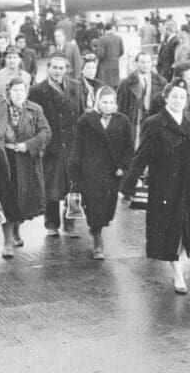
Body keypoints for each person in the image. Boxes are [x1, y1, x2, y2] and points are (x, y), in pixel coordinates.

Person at [121, 79, 190, 294]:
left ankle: (179, 262)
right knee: (171, 229)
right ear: (166, 98)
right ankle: (177, 272)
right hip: (167, 186)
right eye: (174, 96)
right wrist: (128, 184)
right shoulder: (154, 122)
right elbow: (142, 155)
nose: (178, 100)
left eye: (182, 97)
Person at [0, 77, 52, 258]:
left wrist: (28, 145)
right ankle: (7, 243)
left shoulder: (35, 110)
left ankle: (16, 230)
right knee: (7, 201)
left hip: (27, 162)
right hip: (3, 162)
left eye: (22, 90)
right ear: (8, 92)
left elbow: (45, 132)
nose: (18, 94)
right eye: (15, 91)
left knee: (23, 201)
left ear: (26, 92)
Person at [69, 88, 134, 260]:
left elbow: (129, 147)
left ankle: (97, 227)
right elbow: (78, 147)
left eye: (111, 102)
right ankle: (98, 240)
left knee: (107, 208)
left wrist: (123, 166)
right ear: (98, 102)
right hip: (91, 171)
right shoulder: (86, 120)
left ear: (116, 104)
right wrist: (75, 172)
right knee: (95, 207)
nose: (107, 106)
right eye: (104, 102)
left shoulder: (123, 121)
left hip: (112, 172)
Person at [28, 54, 83, 237]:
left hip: (73, 145)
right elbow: (32, 119)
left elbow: (82, 115)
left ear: (66, 69)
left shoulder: (75, 86)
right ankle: (51, 223)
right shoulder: (37, 90)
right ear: (48, 68)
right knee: (52, 187)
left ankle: (70, 223)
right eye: (55, 67)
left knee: (74, 186)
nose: (58, 71)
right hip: (51, 145)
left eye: (61, 68)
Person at [116, 51, 167, 149]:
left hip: (153, 116)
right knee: (134, 146)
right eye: (142, 62)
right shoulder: (126, 83)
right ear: (136, 63)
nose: (145, 65)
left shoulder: (161, 82)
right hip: (135, 119)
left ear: (152, 63)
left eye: (148, 62)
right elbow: (121, 106)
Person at [97, 23, 124, 87]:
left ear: (105, 29)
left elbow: (100, 54)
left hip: (105, 64)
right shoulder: (119, 38)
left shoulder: (102, 39)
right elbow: (122, 52)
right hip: (116, 63)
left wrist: (99, 61)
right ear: (112, 29)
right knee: (115, 82)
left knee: (106, 83)